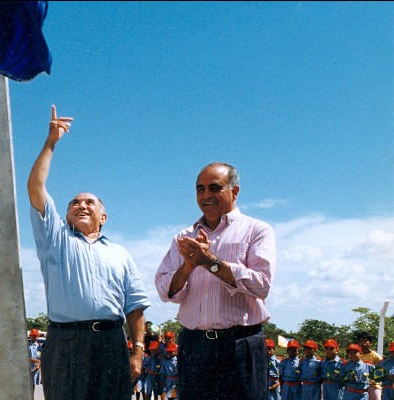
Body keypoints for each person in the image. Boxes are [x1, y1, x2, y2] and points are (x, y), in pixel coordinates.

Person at [27, 105, 150, 399]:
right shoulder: (55, 238)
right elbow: (36, 187)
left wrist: (138, 352)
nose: (81, 205)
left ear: (103, 217)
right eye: (75, 202)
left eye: (89, 203)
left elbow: (134, 307)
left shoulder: (120, 253)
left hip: (111, 342)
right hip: (66, 341)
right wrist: (51, 142)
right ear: (67, 215)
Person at [154, 161, 276, 400]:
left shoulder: (257, 230)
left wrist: (210, 262)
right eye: (200, 189)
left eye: (214, 187)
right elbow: (164, 290)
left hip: (240, 345)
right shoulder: (183, 238)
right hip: (195, 347)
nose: (206, 195)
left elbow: (262, 284)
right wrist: (188, 267)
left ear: (235, 191)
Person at [357, 331, 384, 400]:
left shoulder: (376, 356)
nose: (363, 343)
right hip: (360, 385)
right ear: (358, 343)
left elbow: (382, 369)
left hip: (374, 385)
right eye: (361, 341)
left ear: (370, 343)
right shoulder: (357, 356)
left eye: (365, 341)